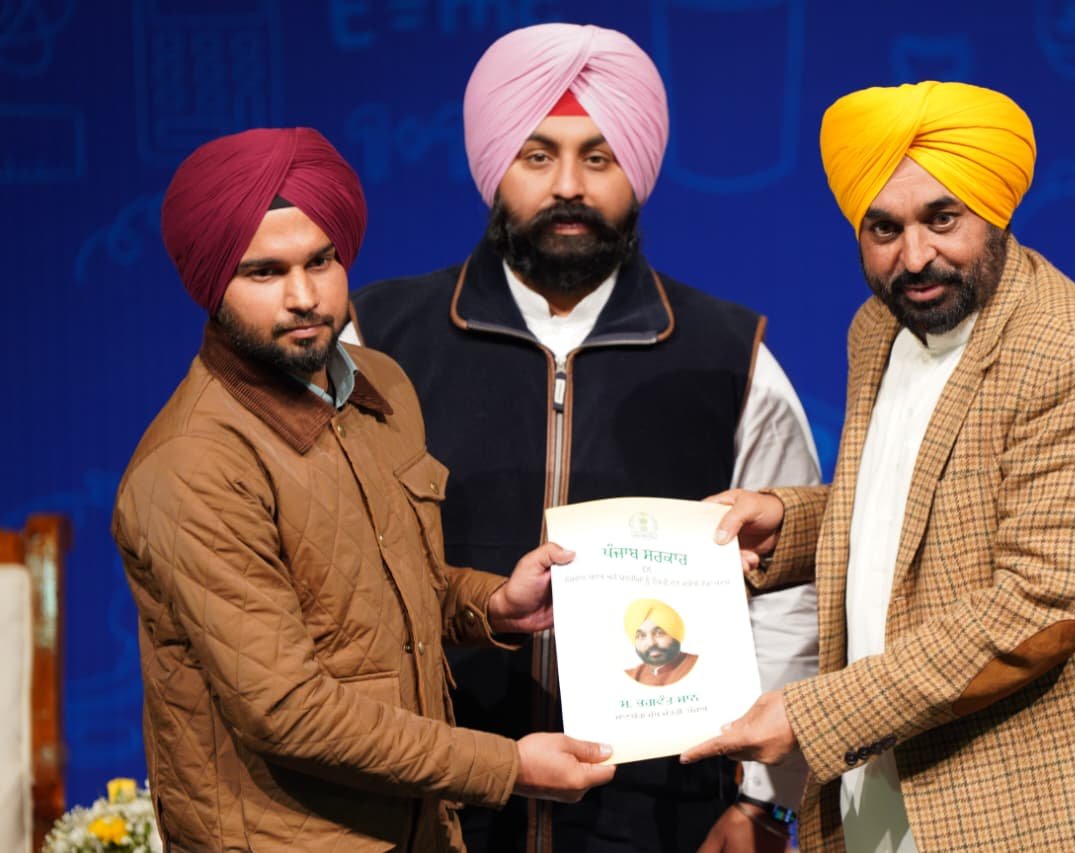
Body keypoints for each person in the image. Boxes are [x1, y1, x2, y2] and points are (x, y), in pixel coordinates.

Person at [682, 81, 1075, 851]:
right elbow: (923, 501)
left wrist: (813, 715)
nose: (915, 257)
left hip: (1050, 817)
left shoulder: (1071, 353)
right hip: (888, 799)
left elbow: (1037, 613)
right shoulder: (880, 328)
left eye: (943, 219)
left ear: (994, 210)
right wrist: (790, 522)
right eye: (885, 227)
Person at [346, 22, 820, 853]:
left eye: (598, 157)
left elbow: (790, 596)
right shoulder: (378, 343)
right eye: (538, 155)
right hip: (430, 810)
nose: (568, 185)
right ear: (494, 165)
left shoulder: (731, 358)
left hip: (664, 821)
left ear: (637, 170)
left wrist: (761, 801)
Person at [112, 127, 616, 852]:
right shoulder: (194, 464)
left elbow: (378, 595)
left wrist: (494, 604)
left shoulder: (382, 385)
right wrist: (506, 766)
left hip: (421, 828)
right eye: (264, 273)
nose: (304, 297)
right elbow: (287, 708)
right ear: (212, 285)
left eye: (321, 261)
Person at [624, 599, 698, 686]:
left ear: (676, 634)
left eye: (659, 633)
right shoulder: (631, 676)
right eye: (641, 636)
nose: (651, 643)